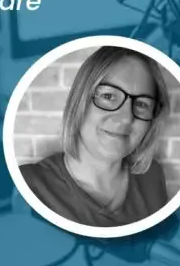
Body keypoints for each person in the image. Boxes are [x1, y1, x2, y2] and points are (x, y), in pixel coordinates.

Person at [19, 46, 171, 227]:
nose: (125, 118)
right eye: (108, 96)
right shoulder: (29, 185)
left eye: (142, 104)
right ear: (79, 101)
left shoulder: (152, 175)